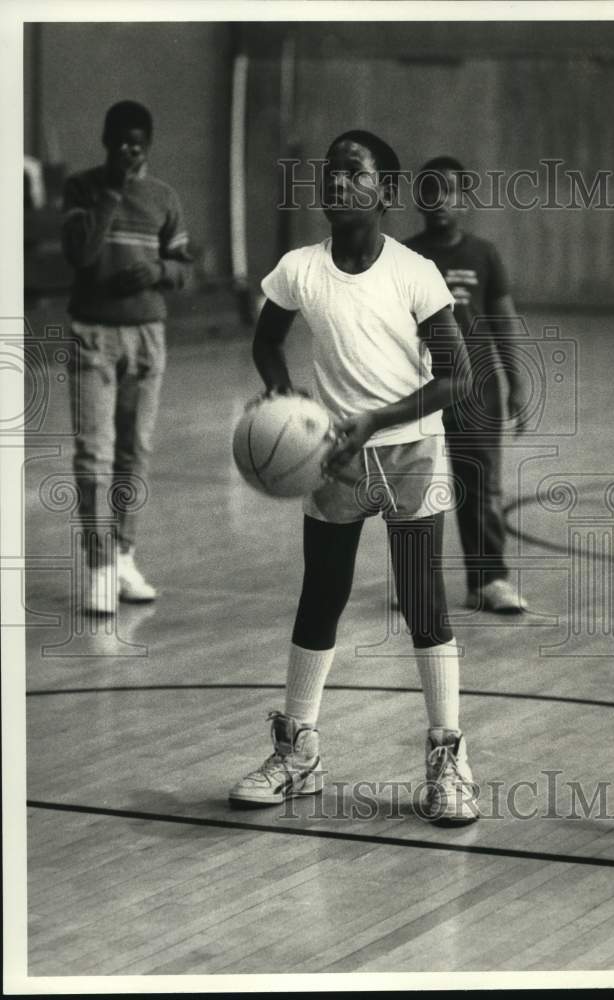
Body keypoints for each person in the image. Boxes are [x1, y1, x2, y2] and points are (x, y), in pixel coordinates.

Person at [229, 130, 479, 825]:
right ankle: (299, 752)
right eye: (330, 173)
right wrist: (282, 395)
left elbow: (457, 377)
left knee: (425, 604)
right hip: (332, 457)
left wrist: (375, 420)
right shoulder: (300, 268)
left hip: (406, 454)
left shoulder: (414, 273)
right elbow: (266, 341)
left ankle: (448, 757)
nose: (337, 183)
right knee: (322, 596)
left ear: (386, 193)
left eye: (354, 173)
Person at [61, 100, 191, 614]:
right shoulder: (82, 188)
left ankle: (124, 555)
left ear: (148, 146)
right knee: (95, 453)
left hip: (147, 336)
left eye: (136, 144)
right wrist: (112, 193)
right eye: (118, 142)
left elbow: (185, 268)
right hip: (94, 333)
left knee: (135, 452)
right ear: (105, 141)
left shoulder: (164, 196)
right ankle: (97, 567)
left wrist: (157, 271)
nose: (127, 151)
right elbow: (82, 256)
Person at [405, 157, 529, 613]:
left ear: (465, 199)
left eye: (450, 192)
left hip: (479, 389)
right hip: (422, 387)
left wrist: (515, 381)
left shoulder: (484, 254)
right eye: (430, 192)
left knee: (480, 486)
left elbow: (502, 318)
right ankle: (416, 581)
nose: (440, 202)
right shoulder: (401, 255)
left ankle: (488, 580)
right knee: (418, 486)